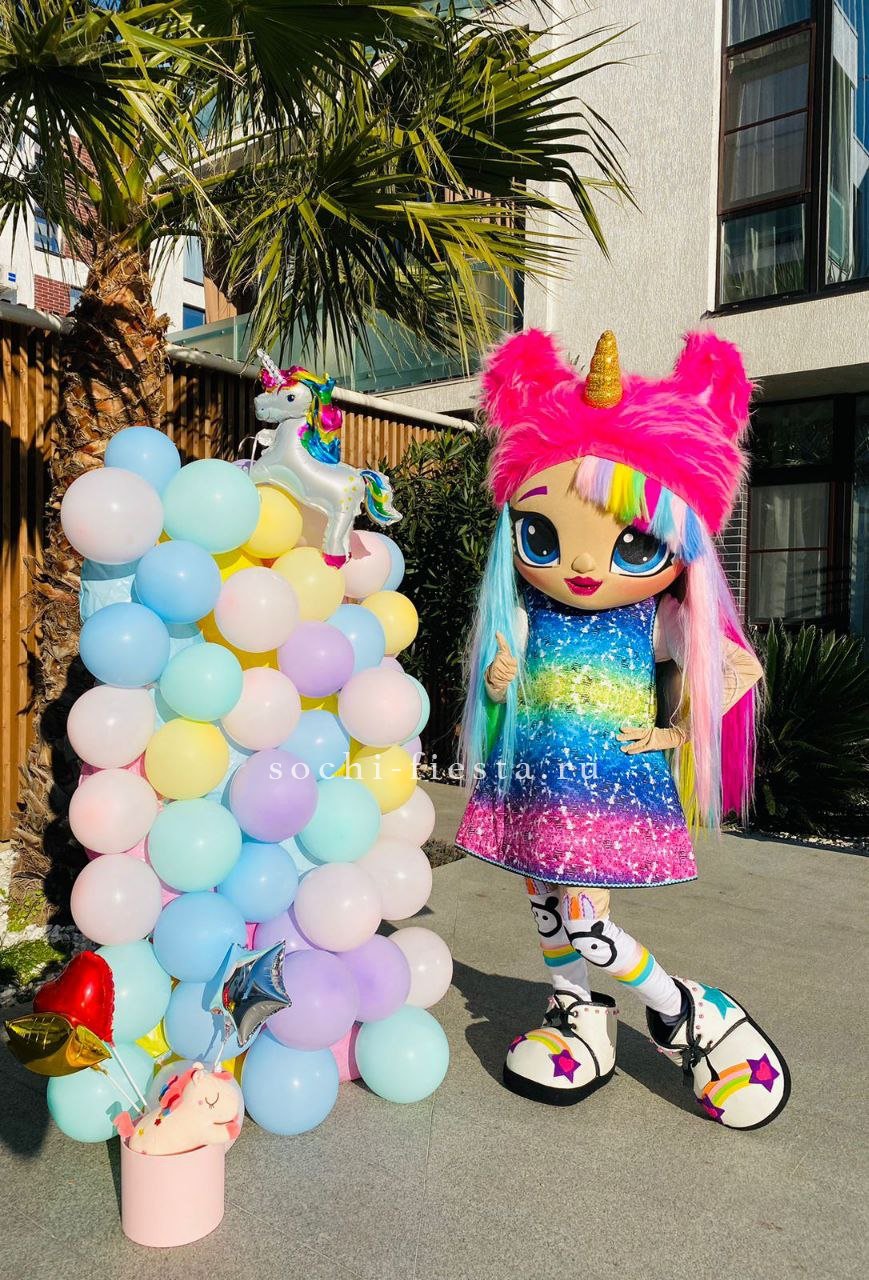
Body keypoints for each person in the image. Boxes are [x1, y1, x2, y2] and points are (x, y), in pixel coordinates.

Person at [456, 328, 789, 1128]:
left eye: (633, 544)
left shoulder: (653, 618)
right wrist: (498, 681)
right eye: (542, 535)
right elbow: (505, 671)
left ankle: (688, 1011)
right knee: (543, 903)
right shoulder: (527, 610)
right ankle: (577, 1013)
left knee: (588, 924)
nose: (581, 566)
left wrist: (676, 732)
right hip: (535, 778)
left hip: (605, 788)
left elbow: (734, 669)